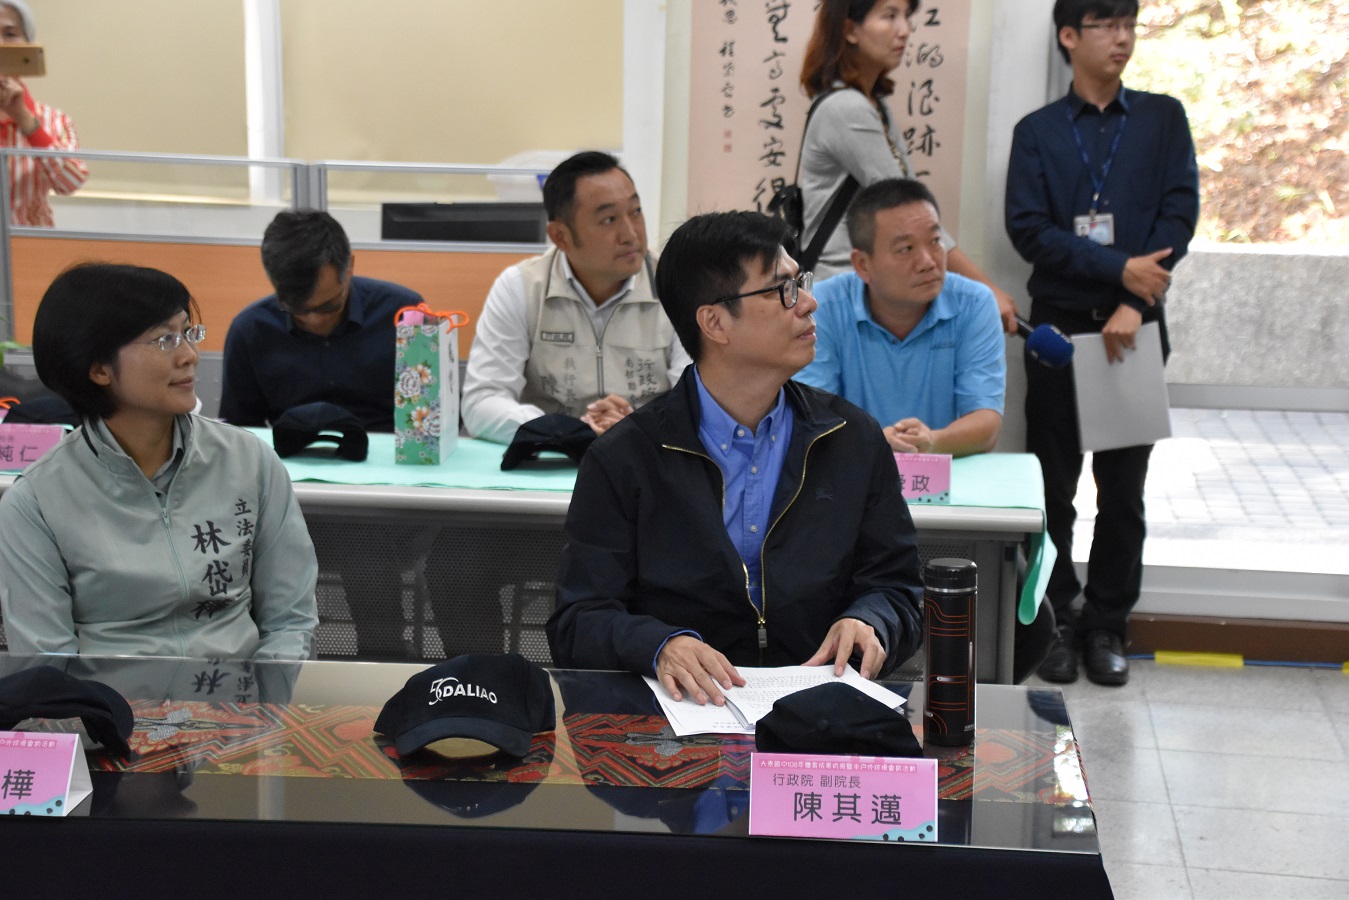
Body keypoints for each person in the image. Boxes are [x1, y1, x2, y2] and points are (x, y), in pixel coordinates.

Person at [547, 210, 924, 705]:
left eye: (801, 283)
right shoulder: (625, 458)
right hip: (682, 714)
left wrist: (870, 619)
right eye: (782, 290)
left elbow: (899, 587)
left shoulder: (851, 438)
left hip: (819, 712)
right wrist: (659, 646)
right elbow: (578, 620)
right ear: (715, 322)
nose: (808, 303)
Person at [1005, 0, 1199, 686]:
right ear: (1068, 35)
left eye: (1128, 25)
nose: (1122, 39)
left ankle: (1108, 623)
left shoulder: (1162, 118)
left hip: (1131, 332)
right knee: (1052, 486)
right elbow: (1029, 229)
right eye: (1106, 26)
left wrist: (1132, 301)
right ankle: (1054, 620)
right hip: (1057, 330)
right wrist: (1120, 271)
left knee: (1123, 491)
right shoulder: (1037, 132)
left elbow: (1179, 213)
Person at [0, 263, 318, 660]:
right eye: (165, 339)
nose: (190, 356)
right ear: (99, 369)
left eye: (188, 332)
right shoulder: (36, 504)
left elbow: (290, 620)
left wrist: (266, 694)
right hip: (108, 698)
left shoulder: (249, 461)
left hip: (238, 693)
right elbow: (48, 661)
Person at [797, 0, 1016, 332]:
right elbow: (909, 211)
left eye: (906, 17)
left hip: (867, 292)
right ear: (850, 29)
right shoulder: (846, 108)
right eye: (889, 16)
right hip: (841, 296)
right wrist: (986, 290)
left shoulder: (873, 104)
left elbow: (910, 201)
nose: (904, 30)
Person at [461, 150, 690, 444]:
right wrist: (568, 431)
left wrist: (633, 427)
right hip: (552, 456)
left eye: (635, 211)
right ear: (561, 236)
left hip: (647, 456)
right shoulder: (521, 287)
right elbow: (481, 402)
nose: (631, 234)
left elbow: (697, 402)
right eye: (609, 219)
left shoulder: (678, 284)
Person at [797, 177, 1004, 458]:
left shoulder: (974, 303)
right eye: (906, 249)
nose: (928, 262)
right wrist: (876, 443)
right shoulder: (823, 307)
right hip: (851, 471)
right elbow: (812, 418)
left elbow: (987, 422)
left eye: (935, 241)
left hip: (943, 474)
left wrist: (932, 441)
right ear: (862, 264)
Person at [220, 209, 423, 431]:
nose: (314, 320)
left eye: (328, 306)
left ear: (349, 267)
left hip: (387, 446)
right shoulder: (250, 331)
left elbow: (427, 417)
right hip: (291, 449)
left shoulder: (404, 315)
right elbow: (238, 431)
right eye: (296, 309)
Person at [0, 1, 87, 226]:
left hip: (29, 242)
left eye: (10, 34)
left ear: (28, 46)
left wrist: (24, 118)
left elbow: (71, 183)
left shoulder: (55, 120)